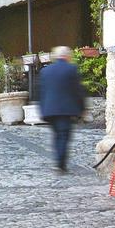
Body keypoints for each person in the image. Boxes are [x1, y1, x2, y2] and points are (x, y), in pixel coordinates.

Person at [37, 45, 88, 173]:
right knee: (63, 136)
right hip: (65, 109)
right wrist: (83, 108)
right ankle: (60, 164)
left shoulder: (45, 71)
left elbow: (41, 92)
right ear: (67, 56)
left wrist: (41, 109)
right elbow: (78, 91)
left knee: (57, 135)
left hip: (50, 110)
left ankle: (59, 162)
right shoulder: (71, 69)